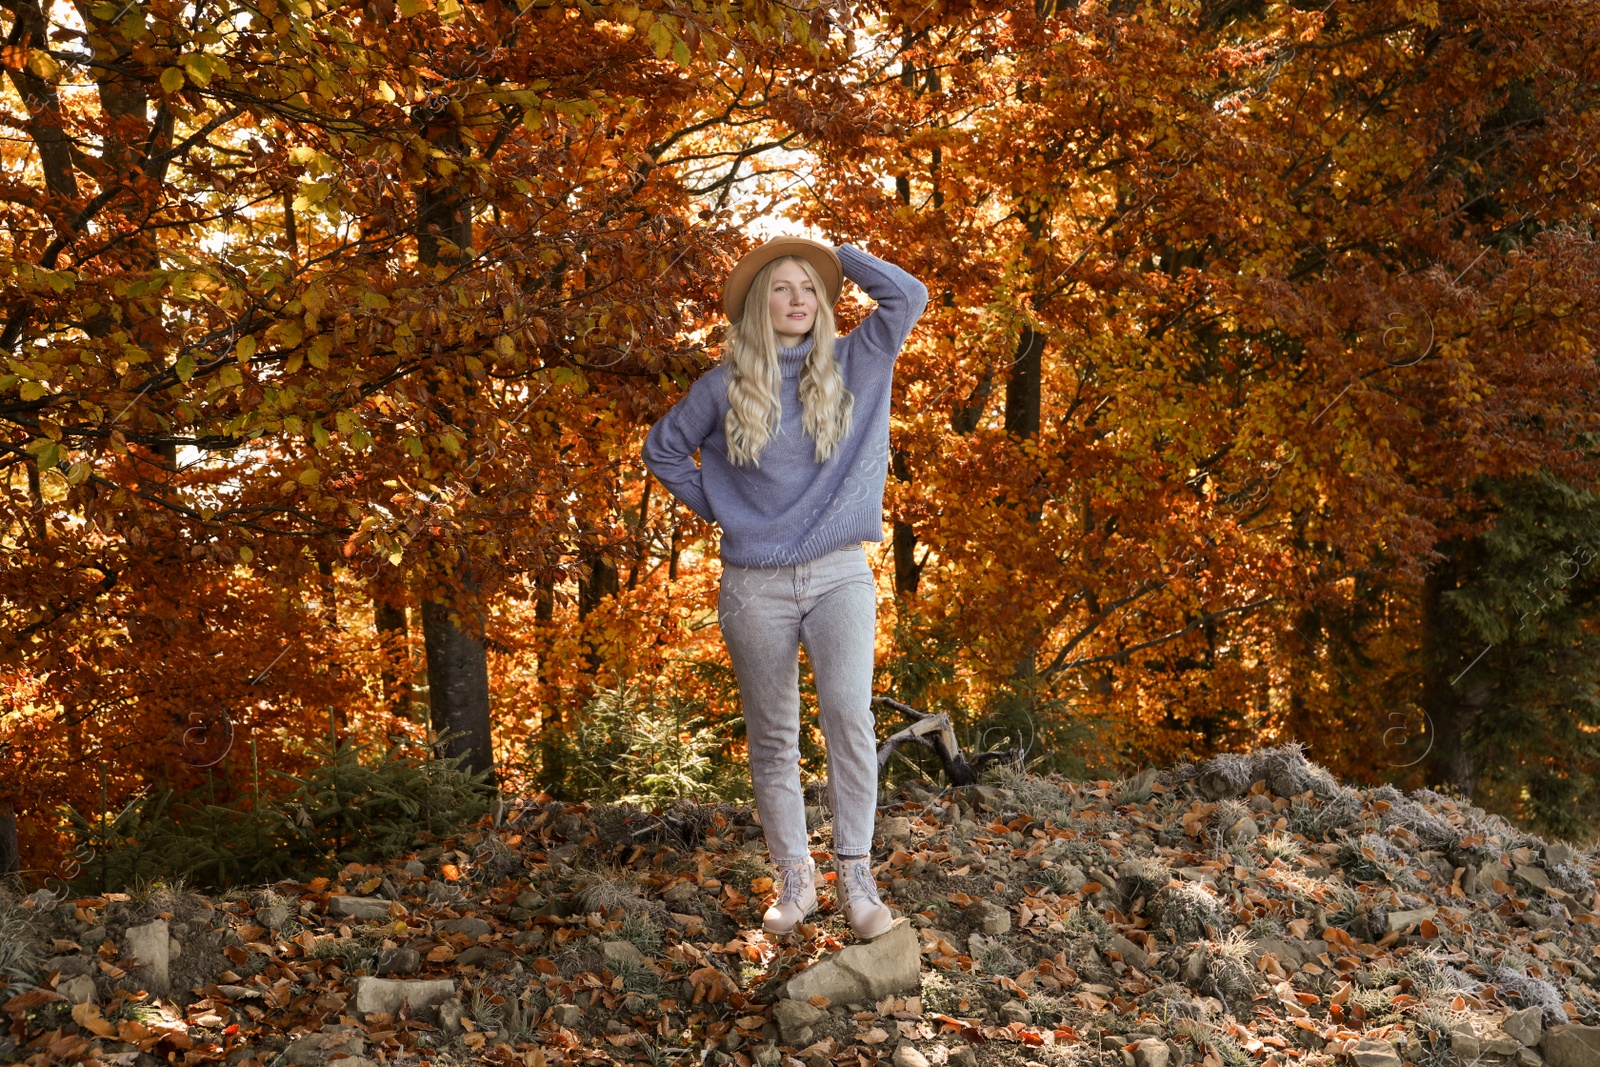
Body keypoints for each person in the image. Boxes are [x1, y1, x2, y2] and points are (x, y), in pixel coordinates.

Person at [641, 236, 929, 939]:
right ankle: (796, 882)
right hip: (753, 584)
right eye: (781, 287)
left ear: (825, 301)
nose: (798, 298)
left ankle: (857, 875)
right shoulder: (725, 383)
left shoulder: (856, 360)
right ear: (757, 305)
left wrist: (841, 253)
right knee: (773, 736)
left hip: (838, 573)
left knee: (848, 718)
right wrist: (723, 505)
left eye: (809, 287)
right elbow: (663, 449)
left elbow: (909, 296)